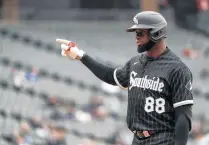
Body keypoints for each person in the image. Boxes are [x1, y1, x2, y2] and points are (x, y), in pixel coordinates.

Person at [57, 11, 193, 145]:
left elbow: (183, 117)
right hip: (138, 139)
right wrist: (80, 56)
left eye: (140, 33)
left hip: (162, 139)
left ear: (156, 33)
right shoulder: (135, 63)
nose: (136, 38)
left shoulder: (177, 69)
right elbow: (111, 76)